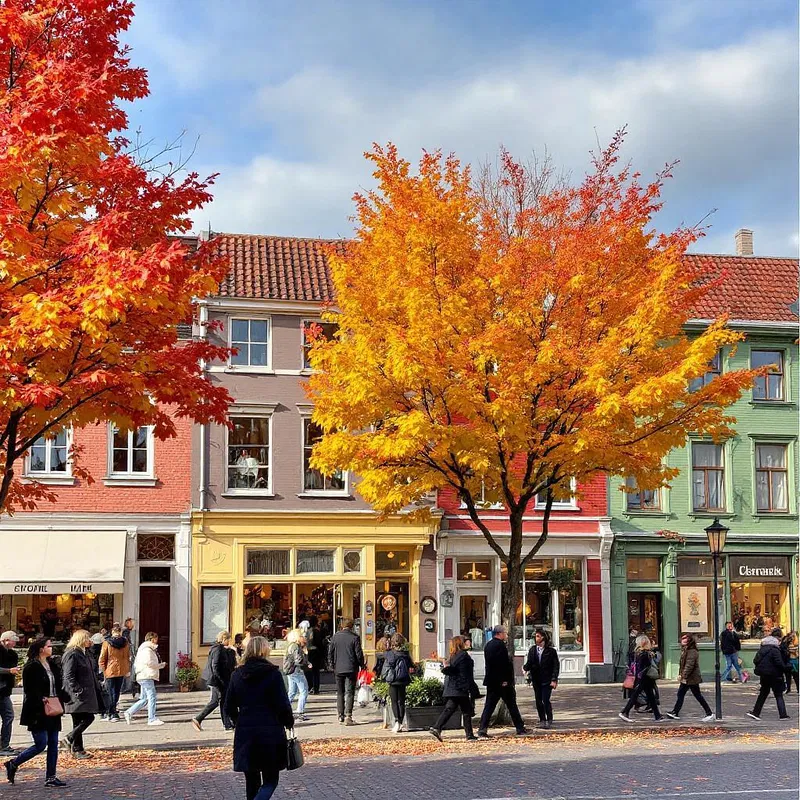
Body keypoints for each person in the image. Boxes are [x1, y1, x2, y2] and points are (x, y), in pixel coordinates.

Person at [225, 635, 294, 800]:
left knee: (251, 781)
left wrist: (238, 721)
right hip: (270, 730)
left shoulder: (237, 675)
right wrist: (288, 722)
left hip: (246, 731)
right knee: (271, 779)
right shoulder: (273, 674)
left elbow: (228, 706)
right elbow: (282, 704)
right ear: (265, 651)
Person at [4, 639, 67, 788]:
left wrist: (64, 696)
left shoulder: (52, 665)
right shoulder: (31, 667)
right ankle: (13, 763)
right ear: (40, 649)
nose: (51, 648)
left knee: (53, 743)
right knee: (41, 743)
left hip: (53, 708)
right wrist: (41, 699)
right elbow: (30, 690)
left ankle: (51, 777)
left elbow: (58, 684)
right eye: (49, 646)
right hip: (37, 711)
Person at [477, 625, 527, 737]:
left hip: (491, 681)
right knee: (511, 705)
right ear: (499, 633)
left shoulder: (488, 645)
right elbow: (501, 665)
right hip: (501, 682)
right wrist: (504, 680)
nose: (506, 635)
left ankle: (482, 728)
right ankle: (520, 728)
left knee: (489, 706)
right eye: (505, 633)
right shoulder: (500, 646)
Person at [61, 629, 104, 758]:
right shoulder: (72, 654)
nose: (90, 641)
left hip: (85, 691)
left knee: (79, 720)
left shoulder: (83, 653)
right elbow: (69, 675)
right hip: (77, 693)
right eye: (87, 638)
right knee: (87, 718)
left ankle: (77, 748)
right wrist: (77, 689)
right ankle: (70, 739)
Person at [428, 635, 477, 741]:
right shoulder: (464, 656)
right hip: (460, 688)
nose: (468, 643)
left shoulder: (453, 656)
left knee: (450, 709)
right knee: (466, 711)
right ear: (461, 643)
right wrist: (468, 687)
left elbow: (452, 670)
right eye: (466, 641)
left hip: (452, 687)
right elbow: (465, 674)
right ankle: (469, 735)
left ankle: (437, 727)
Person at [193, 630, 236, 732]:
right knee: (215, 701)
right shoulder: (218, 649)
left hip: (216, 679)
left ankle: (227, 724)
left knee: (222, 701)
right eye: (228, 640)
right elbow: (215, 665)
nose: (229, 642)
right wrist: (220, 680)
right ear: (224, 639)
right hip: (215, 680)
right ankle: (198, 718)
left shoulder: (219, 648)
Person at [664, 634, 714, 721]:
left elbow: (689, 666)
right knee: (683, 694)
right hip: (688, 678)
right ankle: (675, 712)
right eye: (682, 638)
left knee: (696, 695)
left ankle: (709, 713)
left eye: (684, 638)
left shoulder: (692, 651)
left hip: (691, 678)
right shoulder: (686, 650)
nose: (682, 640)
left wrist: (683, 675)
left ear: (689, 641)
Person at [124, 631, 166, 726]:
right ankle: (151, 718)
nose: (157, 641)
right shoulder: (147, 650)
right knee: (152, 697)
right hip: (146, 675)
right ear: (152, 639)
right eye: (155, 639)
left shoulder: (144, 648)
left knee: (144, 698)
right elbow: (149, 663)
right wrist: (160, 665)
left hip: (143, 675)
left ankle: (129, 712)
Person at [747, 628, 790, 721]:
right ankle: (783, 715)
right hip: (775, 675)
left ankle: (756, 712)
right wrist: (786, 667)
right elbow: (779, 663)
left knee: (763, 693)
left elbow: (755, 660)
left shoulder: (763, 648)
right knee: (778, 694)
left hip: (764, 675)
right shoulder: (775, 650)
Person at [327, 618, 365, 726]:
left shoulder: (335, 637)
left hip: (338, 668)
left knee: (340, 692)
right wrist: (362, 665)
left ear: (342, 626)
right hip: (351, 668)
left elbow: (330, 653)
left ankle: (340, 715)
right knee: (350, 692)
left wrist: (331, 665)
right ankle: (348, 715)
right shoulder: (354, 638)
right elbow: (358, 654)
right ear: (352, 626)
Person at [619, 634, 663, 722]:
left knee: (650, 696)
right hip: (644, 677)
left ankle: (657, 715)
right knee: (635, 695)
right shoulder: (645, 654)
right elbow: (647, 666)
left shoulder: (637, 652)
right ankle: (625, 712)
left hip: (643, 677)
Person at [523, 629, 560, 729]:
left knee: (545, 699)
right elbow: (530, 662)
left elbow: (555, 666)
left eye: (538, 636)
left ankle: (549, 718)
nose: (536, 638)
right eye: (536, 636)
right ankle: (542, 719)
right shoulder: (533, 650)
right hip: (536, 679)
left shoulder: (551, 651)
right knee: (538, 700)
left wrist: (554, 679)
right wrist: (525, 668)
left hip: (547, 680)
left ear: (543, 637)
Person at [99, 624, 131, 723]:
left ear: (113, 632)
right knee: (117, 692)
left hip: (110, 670)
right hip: (121, 670)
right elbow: (127, 657)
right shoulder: (125, 643)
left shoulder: (107, 643)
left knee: (110, 692)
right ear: (120, 632)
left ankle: (111, 712)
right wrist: (127, 670)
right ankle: (113, 711)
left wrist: (104, 671)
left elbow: (102, 658)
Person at [382, 633, 414, 733]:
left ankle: (396, 721)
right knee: (401, 702)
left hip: (393, 680)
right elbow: (411, 665)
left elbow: (387, 660)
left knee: (394, 701)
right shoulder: (406, 654)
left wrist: (387, 648)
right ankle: (400, 721)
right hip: (403, 679)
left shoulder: (389, 653)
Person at [0, 631, 21, 758]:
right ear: (6, 640)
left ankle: (4, 744)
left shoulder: (12, 654)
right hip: (2, 689)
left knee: (8, 716)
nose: (15, 643)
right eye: (13, 640)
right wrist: (9, 671)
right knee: (8, 716)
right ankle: (4, 745)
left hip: (5, 689)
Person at [282, 629, 310, 722]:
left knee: (292, 692)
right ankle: (300, 712)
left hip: (290, 670)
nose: (303, 637)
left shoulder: (291, 646)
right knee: (304, 691)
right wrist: (306, 659)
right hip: (296, 670)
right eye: (301, 636)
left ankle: (284, 710)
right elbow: (298, 660)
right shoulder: (295, 646)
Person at [303, 617, 324, 695]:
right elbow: (319, 643)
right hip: (315, 652)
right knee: (315, 671)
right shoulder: (316, 631)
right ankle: (316, 688)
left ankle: (310, 686)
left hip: (308, 652)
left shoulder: (307, 631)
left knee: (309, 670)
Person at [122, 618, 137, 699]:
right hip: (128, 655)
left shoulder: (127, 632)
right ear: (128, 623)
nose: (133, 625)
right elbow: (127, 644)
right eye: (132, 623)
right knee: (128, 671)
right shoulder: (126, 632)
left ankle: (127, 687)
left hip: (129, 654)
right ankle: (126, 687)